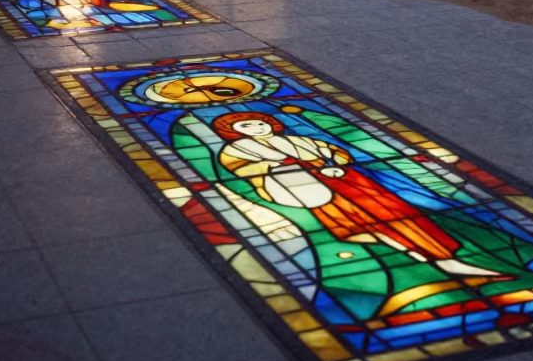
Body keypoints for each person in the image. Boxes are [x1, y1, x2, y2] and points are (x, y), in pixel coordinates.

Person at [214, 112, 507, 278]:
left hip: (351, 181)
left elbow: (336, 152)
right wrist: (295, 166)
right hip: (313, 191)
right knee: (367, 225)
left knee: (398, 213)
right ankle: (425, 258)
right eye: (245, 126)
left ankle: (443, 255)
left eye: (259, 122)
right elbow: (242, 170)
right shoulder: (236, 150)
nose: (256, 127)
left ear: (270, 123)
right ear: (235, 131)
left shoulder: (297, 138)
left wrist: (334, 165)